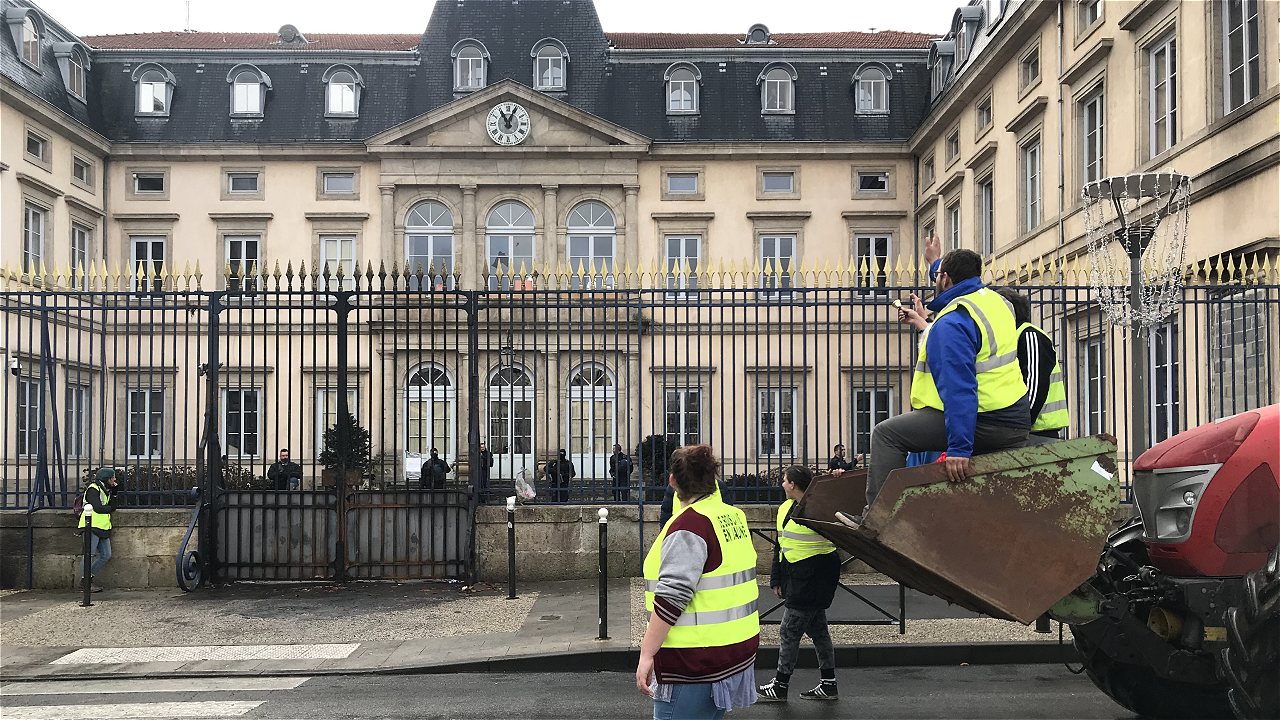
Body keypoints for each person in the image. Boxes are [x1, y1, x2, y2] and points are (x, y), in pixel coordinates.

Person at [841, 247, 1030, 524]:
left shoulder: (952, 322)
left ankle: (879, 519)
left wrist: (958, 449)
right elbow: (961, 283)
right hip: (1014, 418)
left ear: (946, 280)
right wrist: (935, 265)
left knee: (886, 435)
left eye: (938, 275)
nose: (936, 279)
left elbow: (960, 392)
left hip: (983, 421)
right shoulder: (998, 303)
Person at [637, 444, 759, 719]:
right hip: (733, 651)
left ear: (672, 481)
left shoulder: (689, 526)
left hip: (693, 661)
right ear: (713, 478)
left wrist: (647, 654)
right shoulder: (732, 516)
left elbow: (672, 598)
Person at [758, 465, 840, 703]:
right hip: (796, 575)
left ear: (793, 484)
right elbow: (780, 544)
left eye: (784, 480)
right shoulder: (785, 508)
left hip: (815, 576)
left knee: (788, 631)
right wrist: (776, 578)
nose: (782, 484)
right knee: (818, 631)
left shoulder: (820, 506)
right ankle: (829, 684)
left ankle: (781, 685)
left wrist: (835, 480)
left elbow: (843, 505)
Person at [993, 287, 1070, 442]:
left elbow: (1035, 386)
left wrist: (1020, 427)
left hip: (1038, 432)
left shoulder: (1029, 335)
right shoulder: (1012, 337)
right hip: (1025, 431)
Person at [77, 467, 120, 593]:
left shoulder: (105, 490)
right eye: (112, 478)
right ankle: (85, 583)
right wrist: (110, 508)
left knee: (106, 555)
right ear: (106, 479)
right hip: (91, 526)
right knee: (88, 554)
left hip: (103, 526)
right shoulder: (93, 489)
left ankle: (88, 579)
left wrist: (115, 493)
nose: (114, 480)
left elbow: (113, 506)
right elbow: (98, 508)